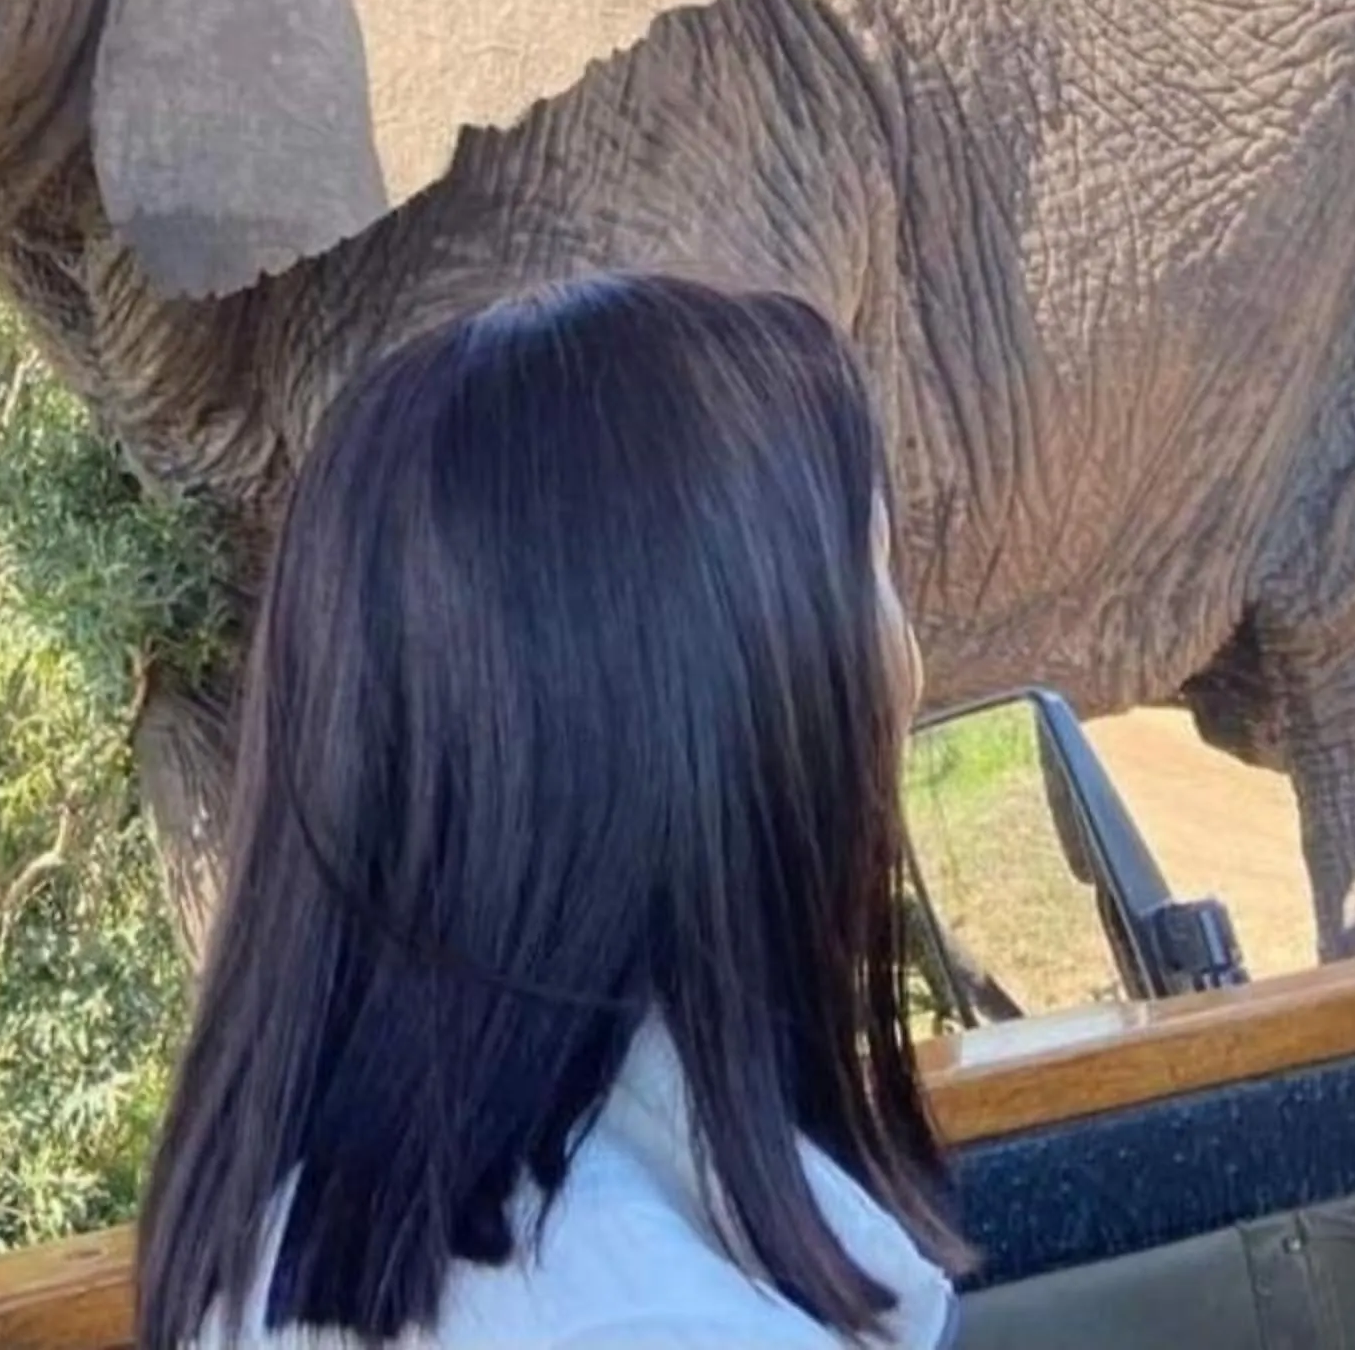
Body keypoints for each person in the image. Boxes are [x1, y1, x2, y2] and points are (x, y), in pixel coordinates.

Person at [134, 272, 968, 1349]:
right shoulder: (658, 1317)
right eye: (870, 571)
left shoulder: (297, 1248)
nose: (905, 666)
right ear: (724, 704)